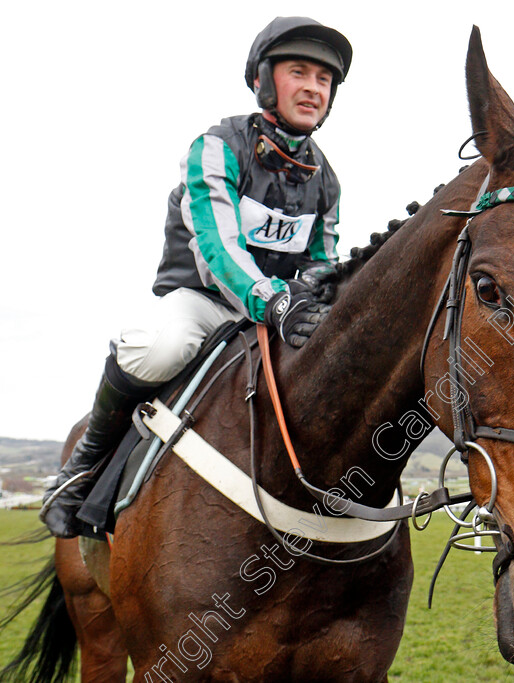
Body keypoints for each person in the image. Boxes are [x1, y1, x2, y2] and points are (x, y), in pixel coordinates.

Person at [40, 16, 353, 538]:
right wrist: (274, 301)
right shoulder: (215, 146)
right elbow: (217, 246)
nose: (313, 88)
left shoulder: (327, 179)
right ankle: (81, 468)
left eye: (323, 80)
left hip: (277, 310)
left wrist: (309, 296)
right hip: (203, 300)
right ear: (264, 80)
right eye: (299, 72)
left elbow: (323, 255)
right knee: (162, 346)